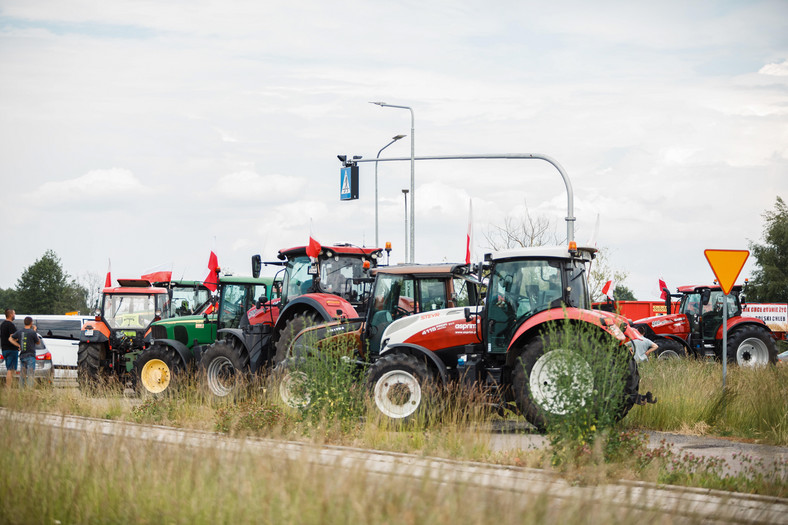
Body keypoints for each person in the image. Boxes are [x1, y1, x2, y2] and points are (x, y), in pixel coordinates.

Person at [10, 316, 40, 388]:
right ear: (31, 323)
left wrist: (18, 345)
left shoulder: (20, 331)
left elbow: (11, 339)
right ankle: (29, 391)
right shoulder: (32, 332)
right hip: (30, 356)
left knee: (22, 375)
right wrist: (35, 331)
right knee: (30, 374)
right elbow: (38, 342)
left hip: (22, 356)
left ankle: (21, 390)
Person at [1, 309, 17, 387]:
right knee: (11, 370)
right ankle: (8, 387)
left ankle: (9, 386)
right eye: (14, 313)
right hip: (11, 349)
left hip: (4, 349)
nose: (15, 315)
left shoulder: (2, 324)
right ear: (10, 314)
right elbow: (13, 337)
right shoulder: (10, 325)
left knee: (9, 368)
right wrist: (18, 343)